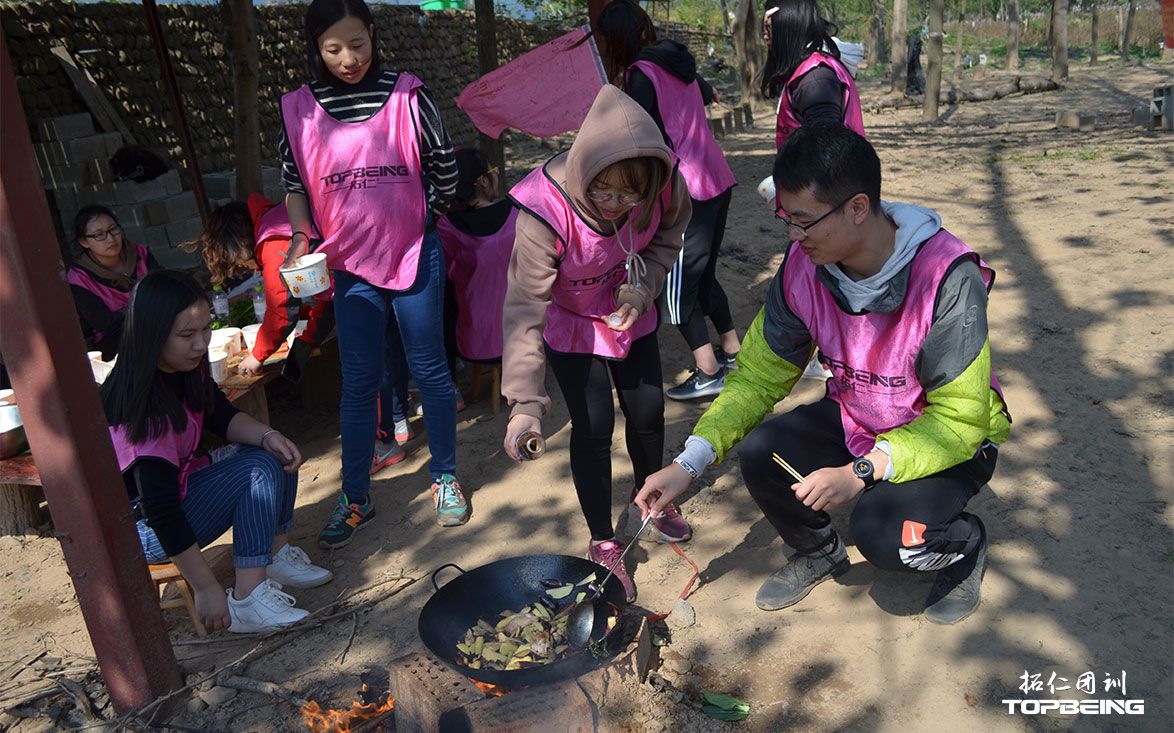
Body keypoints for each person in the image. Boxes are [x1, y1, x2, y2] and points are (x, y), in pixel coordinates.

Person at [636, 123, 1011, 625]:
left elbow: (960, 422)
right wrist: (688, 463)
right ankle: (819, 550)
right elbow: (756, 379)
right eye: (786, 220)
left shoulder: (945, 276)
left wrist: (861, 472)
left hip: (947, 440)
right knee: (761, 451)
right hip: (860, 417)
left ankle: (966, 548)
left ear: (858, 207)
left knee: (886, 538)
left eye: (805, 221)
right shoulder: (803, 266)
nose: (793, 236)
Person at [279, 0, 466, 547]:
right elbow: (294, 187)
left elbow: (444, 165)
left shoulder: (408, 93)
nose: (347, 58)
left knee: (429, 369)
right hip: (348, 266)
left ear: (372, 34)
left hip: (413, 253)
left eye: (357, 43)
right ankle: (355, 497)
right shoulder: (299, 109)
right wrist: (300, 239)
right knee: (359, 383)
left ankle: (445, 478)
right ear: (316, 48)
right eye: (333, 48)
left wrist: (422, 216)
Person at [501, 87, 693, 602]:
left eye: (629, 197)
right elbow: (524, 310)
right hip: (574, 323)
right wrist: (525, 403)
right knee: (593, 428)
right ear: (585, 170)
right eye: (603, 192)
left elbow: (668, 235)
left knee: (649, 409)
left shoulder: (665, 184)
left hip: (631, 311)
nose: (615, 206)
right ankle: (604, 540)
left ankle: (650, 497)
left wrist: (644, 285)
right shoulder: (545, 211)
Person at [102, 270, 332, 633]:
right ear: (152, 335)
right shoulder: (141, 403)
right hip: (146, 528)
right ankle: (247, 600)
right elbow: (159, 510)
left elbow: (220, 415)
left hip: (181, 488)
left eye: (205, 329)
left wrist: (269, 433)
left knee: (272, 450)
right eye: (186, 335)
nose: (200, 344)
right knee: (257, 468)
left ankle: (273, 554)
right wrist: (206, 587)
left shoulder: (184, 367)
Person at [596, 0, 741, 402]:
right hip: (717, 180)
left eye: (606, 42)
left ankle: (708, 372)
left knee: (675, 294)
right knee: (704, 276)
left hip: (687, 192)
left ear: (618, 39)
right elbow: (707, 93)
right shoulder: (679, 65)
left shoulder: (641, 74)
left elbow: (646, 140)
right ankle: (732, 351)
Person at [196, 195, 335, 379]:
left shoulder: (272, 242)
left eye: (240, 264)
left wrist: (256, 356)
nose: (244, 269)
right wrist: (308, 339)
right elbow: (329, 295)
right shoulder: (273, 220)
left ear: (236, 245)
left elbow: (282, 312)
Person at [437, 148, 518, 365]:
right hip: (526, 336)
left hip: (474, 341)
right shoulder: (518, 213)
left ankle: (452, 382)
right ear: (483, 181)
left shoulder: (446, 226)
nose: (498, 175)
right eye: (494, 170)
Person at [762, 0, 866, 152]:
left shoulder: (815, 80)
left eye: (769, 28)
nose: (765, 38)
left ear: (790, 26)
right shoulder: (810, 72)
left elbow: (827, 151)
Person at [67, 205, 159, 360]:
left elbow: (164, 292)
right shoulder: (79, 279)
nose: (110, 239)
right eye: (99, 235)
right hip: (117, 346)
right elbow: (108, 325)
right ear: (84, 241)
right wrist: (147, 305)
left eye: (113, 230)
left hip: (159, 327)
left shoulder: (141, 254)